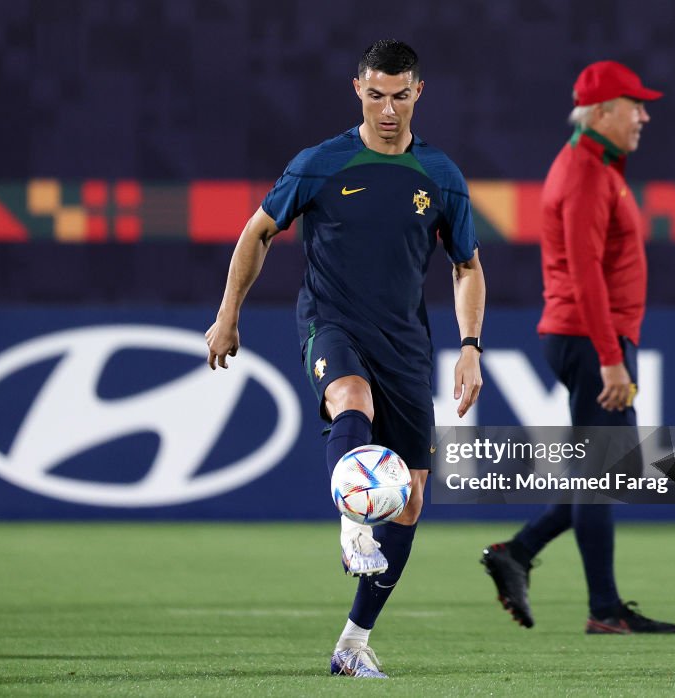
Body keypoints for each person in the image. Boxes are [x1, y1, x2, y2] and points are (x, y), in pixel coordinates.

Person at [206, 39, 486, 677]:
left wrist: (471, 347)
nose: (388, 109)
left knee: (411, 502)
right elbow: (258, 232)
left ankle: (353, 643)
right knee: (349, 399)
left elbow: (467, 266)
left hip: (406, 345)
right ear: (357, 89)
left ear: (419, 93)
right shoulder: (320, 164)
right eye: (375, 94)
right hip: (331, 324)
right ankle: (351, 522)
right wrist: (228, 315)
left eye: (400, 95)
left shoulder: (439, 175)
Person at [480, 61, 675, 634]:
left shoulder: (595, 166)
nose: (643, 115)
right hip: (592, 338)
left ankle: (518, 552)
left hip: (589, 335)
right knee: (605, 474)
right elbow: (587, 273)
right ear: (601, 112)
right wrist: (611, 357)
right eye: (634, 105)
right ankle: (603, 610)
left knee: (607, 472)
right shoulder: (588, 173)